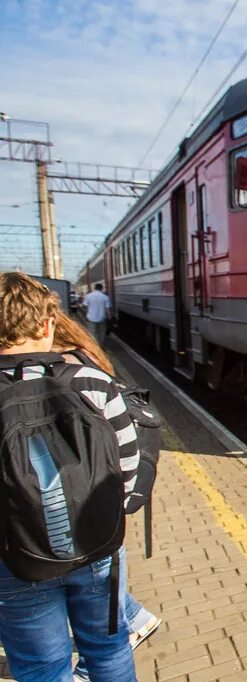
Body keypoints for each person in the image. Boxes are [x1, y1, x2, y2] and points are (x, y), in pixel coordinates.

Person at [0, 272, 139, 681]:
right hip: (98, 547)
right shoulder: (92, 381)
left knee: (43, 666)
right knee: (109, 649)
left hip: (15, 560)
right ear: (48, 325)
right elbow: (126, 467)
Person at [51, 310, 163, 680]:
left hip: (47, 530)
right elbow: (126, 451)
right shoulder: (87, 361)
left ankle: (96, 655)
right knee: (105, 635)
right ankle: (132, 617)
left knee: (42, 661)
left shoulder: (60, 372)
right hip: (98, 526)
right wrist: (120, 507)